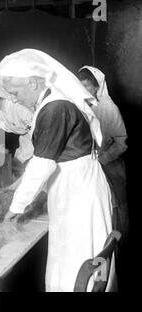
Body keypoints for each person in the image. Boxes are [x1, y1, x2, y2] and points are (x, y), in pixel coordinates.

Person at [0, 49, 114, 292]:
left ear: (32, 82)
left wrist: (14, 209)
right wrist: (14, 188)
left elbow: (42, 164)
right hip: (74, 186)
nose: (13, 99)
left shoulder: (55, 107)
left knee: (76, 258)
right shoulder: (51, 101)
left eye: (15, 93)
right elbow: (44, 156)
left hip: (78, 190)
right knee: (73, 254)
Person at [78, 66, 129, 285]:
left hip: (110, 166)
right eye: (81, 85)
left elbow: (122, 142)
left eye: (88, 85)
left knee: (116, 210)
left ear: (97, 86)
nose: (85, 89)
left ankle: (119, 255)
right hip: (93, 167)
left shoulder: (108, 108)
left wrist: (103, 159)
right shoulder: (84, 107)